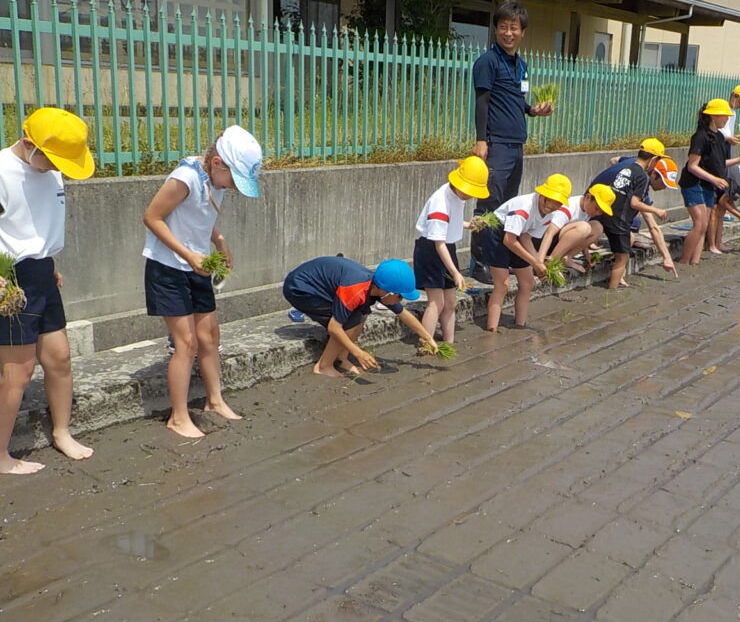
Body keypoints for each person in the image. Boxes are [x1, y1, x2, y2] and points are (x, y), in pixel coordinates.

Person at [142, 125, 261, 438]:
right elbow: (152, 217)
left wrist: (219, 241)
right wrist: (188, 255)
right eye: (234, 180)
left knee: (209, 336)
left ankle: (214, 401)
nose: (233, 187)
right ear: (219, 163)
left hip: (196, 265)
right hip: (168, 267)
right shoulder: (186, 178)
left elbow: (200, 218)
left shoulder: (213, 177)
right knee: (186, 343)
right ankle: (178, 417)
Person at [0, 108, 95, 474]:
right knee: (19, 371)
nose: (57, 167)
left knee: (60, 358)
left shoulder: (51, 170)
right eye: (52, 160)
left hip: (42, 272)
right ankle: (1, 454)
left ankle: (62, 432)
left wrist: (49, 264)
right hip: (11, 278)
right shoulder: (3, 171)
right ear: (29, 144)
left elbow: (37, 223)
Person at [470, 0, 553, 281]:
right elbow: (482, 102)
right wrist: (481, 140)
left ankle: (497, 259)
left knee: (507, 206)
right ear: (495, 29)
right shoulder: (487, 62)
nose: (508, 33)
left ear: (522, 32)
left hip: (516, 145)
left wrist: (533, 110)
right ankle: (479, 262)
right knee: (488, 203)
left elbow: (518, 101)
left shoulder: (521, 65)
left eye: (514, 28)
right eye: (503, 27)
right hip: (496, 144)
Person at [282, 257, 438, 376]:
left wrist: (427, 337)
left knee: (361, 313)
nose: (401, 300)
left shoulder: (377, 286)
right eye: (400, 296)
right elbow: (334, 328)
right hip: (300, 289)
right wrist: (359, 353)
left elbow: (402, 313)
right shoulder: (355, 290)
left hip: (317, 285)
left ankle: (341, 358)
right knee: (349, 321)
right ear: (388, 292)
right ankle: (323, 366)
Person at [414, 156, 488, 346]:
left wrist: (467, 225)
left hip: (447, 247)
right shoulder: (440, 202)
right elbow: (438, 242)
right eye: (469, 191)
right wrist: (455, 272)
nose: (470, 195)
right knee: (436, 302)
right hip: (431, 249)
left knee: (451, 302)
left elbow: (449, 222)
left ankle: (449, 343)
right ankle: (426, 345)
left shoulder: (456, 194)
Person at [480, 175, 568, 331]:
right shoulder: (524, 207)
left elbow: (526, 237)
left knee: (528, 283)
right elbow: (509, 240)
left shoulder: (550, 215)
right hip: (497, 233)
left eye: (557, 203)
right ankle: (492, 329)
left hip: (519, 234)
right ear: (542, 195)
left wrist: (539, 264)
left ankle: (520, 325)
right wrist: (535, 263)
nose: (551, 206)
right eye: (549, 200)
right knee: (502, 285)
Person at [679, 99, 740, 265]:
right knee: (700, 224)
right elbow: (692, 166)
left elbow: (720, 163)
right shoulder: (700, 137)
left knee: (704, 225)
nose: (727, 118)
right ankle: (684, 262)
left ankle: (695, 262)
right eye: (724, 115)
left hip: (708, 185)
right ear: (713, 116)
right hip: (694, 183)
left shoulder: (719, 136)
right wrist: (714, 179)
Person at [589, 139, 669, 289]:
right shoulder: (643, 176)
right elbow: (634, 203)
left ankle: (616, 283)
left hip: (606, 213)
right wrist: (656, 210)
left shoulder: (627, 168)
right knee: (622, 257)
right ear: (653, 159)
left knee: (623, 249)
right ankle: (612, 290)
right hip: (620, 221)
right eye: (658, 160)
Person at [608, 154, 679, 277]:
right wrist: (667, 258)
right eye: (663, 183)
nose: (664, 188)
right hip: (607, 213)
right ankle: (617, 277)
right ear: (654, 174)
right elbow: (653, 227)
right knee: (629, 237)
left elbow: (614, 160)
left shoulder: (634, 162)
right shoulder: (641, 183)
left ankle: (619, 276)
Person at [533, 184, 615, 272]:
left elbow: (582, 236)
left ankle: (566, 258)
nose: (597, 213)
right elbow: (549, 232)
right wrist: (540, 261)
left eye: (601, 211)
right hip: (544, 242)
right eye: (596, 208)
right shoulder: (571, 206)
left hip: (561, 243)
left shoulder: (587, 211)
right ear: (588, 197)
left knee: (598, 227)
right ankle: (551, 261)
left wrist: (587, 255)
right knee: (584, 227)